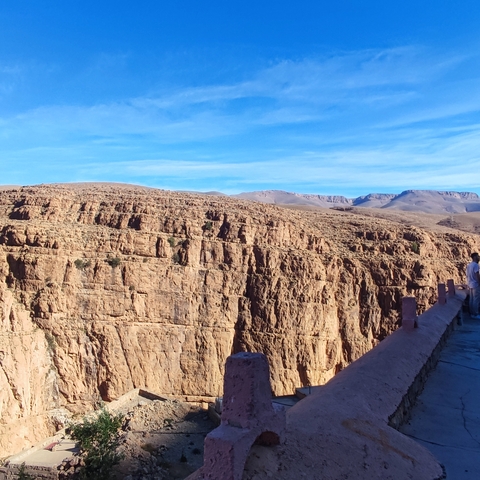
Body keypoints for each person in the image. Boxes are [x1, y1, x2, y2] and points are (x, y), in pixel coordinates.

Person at [466, 252, 480, 318]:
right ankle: (475, 314)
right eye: (477, 256)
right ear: (474, 257)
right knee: (476, 300)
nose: (478, 257)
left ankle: (471, 313)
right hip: (475, 284)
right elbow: (477, 275)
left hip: (470, 284)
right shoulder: (476, 265)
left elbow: (467, 275)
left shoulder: (469, 265)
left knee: (471, 299)